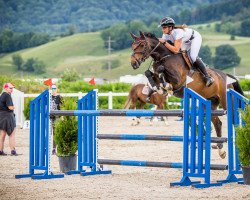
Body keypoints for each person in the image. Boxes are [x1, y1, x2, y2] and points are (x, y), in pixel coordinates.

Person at [157, 17, 214, 87]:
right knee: (180, 55)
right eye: (162, 28)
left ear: (170, 27)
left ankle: (207, 76)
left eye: (164, 27)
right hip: (184, 42)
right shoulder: (165, 35)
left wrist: (165, 42)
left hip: (194, 38)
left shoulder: (178, 32)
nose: (163, 30)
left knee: (192, 56)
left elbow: (175, 50)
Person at [0, 83, 17, 156]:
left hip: (1, 116)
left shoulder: (2, 95)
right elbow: (10, 107)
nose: (12, 89)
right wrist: (14, 107)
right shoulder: (7, 95)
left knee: (2, 135)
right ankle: (13, 151)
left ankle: (0, 151)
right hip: (8, 116)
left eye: (12, 88)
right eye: (10, 88)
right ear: (6, 88)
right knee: (12, 134)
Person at [50, 84, 63, 155]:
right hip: (49, 117)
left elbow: (63, 107)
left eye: (54, 88)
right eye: (52, 88)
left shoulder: (59, 97)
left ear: (57, 89)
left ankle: (54, 149)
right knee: (49, 133)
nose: (53, 90)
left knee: (55, 133)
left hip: (57, 117)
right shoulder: (48, 96)